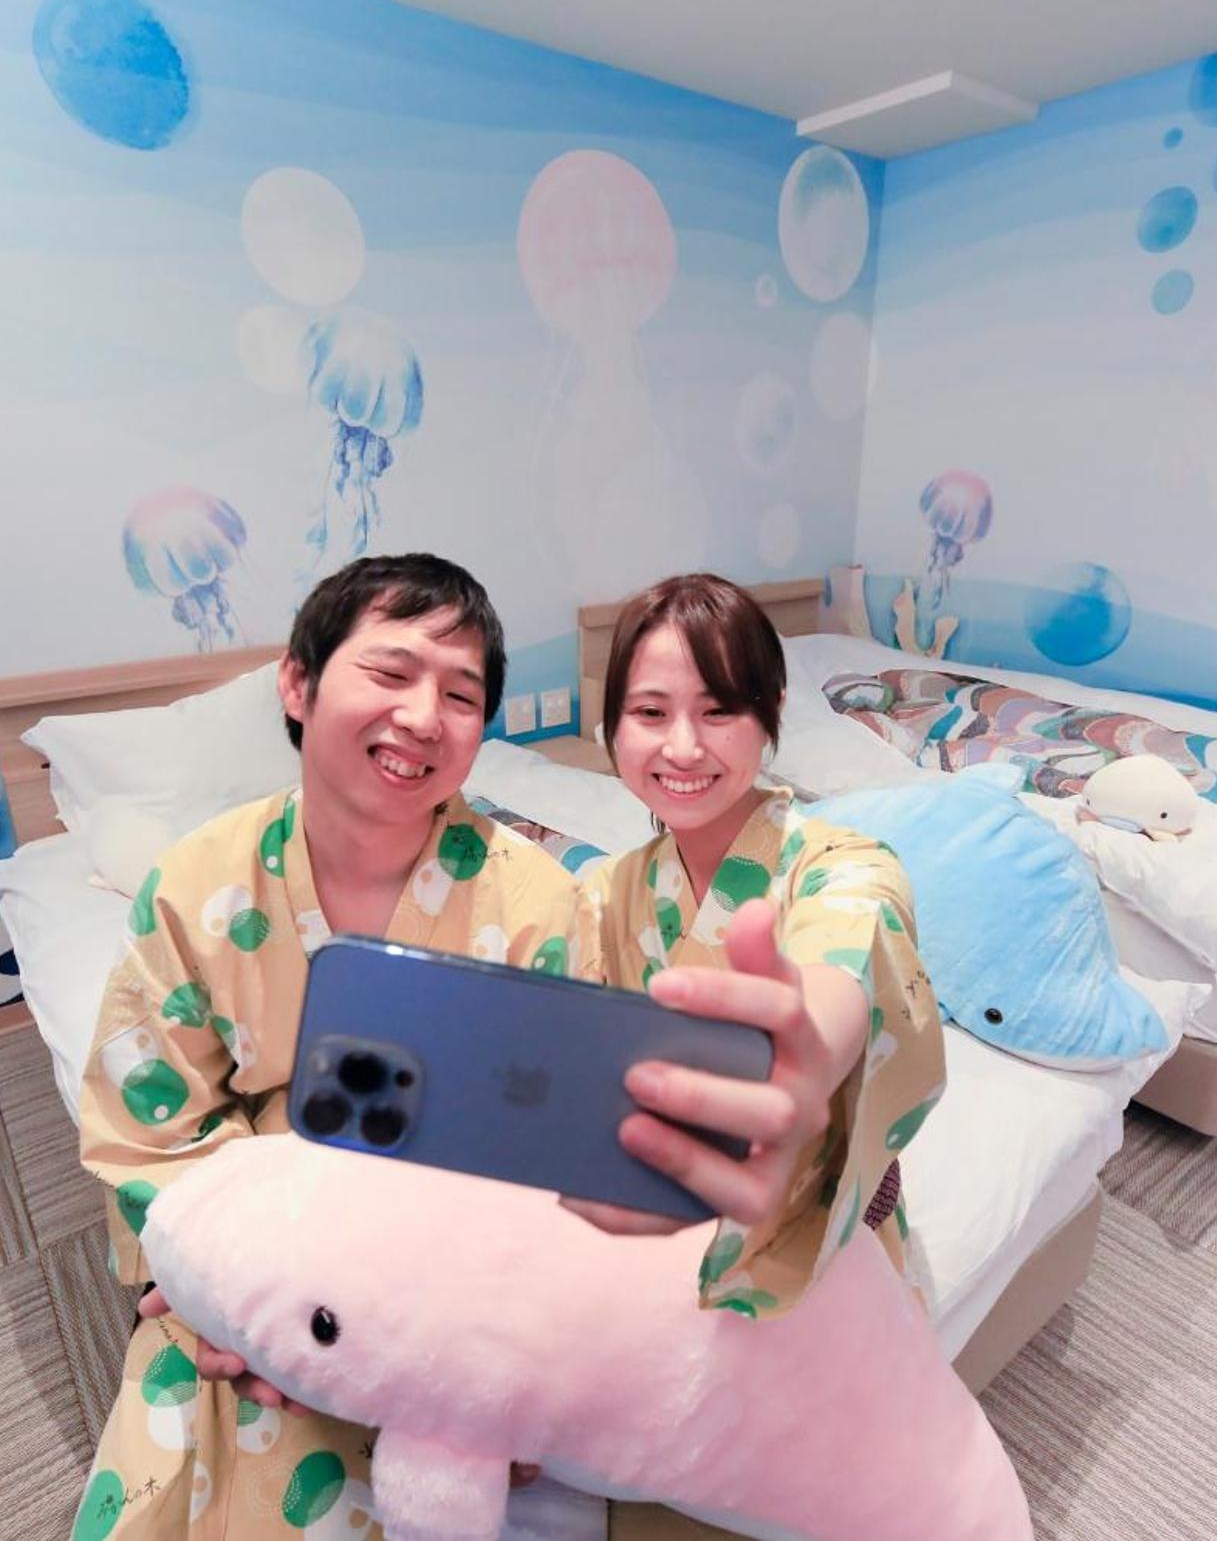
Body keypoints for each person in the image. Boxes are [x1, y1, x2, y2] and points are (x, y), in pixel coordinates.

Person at [73, 554, 582, 1539]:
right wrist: (239, 1289)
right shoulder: (194, 888)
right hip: (258, 1238)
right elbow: (152, 1129)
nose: (424, 717)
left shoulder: (538, 904)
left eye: (461, 695)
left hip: (451, 1260)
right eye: (391, 673)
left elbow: (556, 1146)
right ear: (298, 685)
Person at [571, 572, 947, 1322]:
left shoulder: (842, 866)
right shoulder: (606, 892)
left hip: (812, 1246)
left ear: (771, 713)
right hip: (658, 1232)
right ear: (612, 725)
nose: (683, 747)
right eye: (650, 712)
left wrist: (801, 1053)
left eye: (719, 710)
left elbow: (843, 958)